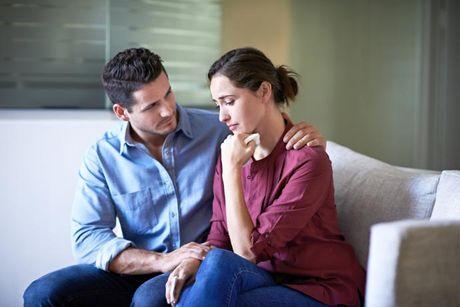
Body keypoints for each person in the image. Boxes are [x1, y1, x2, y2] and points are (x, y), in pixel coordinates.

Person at [23, 47, 326, 306]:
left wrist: (303, 135)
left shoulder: (218, 132)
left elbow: (266, 129)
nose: (168, 110)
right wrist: (160, 261)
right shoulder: (102, 156)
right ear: (122, 112)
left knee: (151, 299)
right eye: (152, 105)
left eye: (168, 93)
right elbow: (88, 237)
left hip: (205, 266)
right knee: (43, 293)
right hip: (141, 263)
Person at [152, 47, 366, 307]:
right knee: (150, 297)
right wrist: (193, 260)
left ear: (264, 92)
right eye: (218, 104)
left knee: (221, 278)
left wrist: (231, 170)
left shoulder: (307, 160)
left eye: (229, 101)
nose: (222, 116)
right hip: (265, 276)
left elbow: (248, 252)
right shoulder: (232, 153)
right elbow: (220, 233)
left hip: (316, 287)